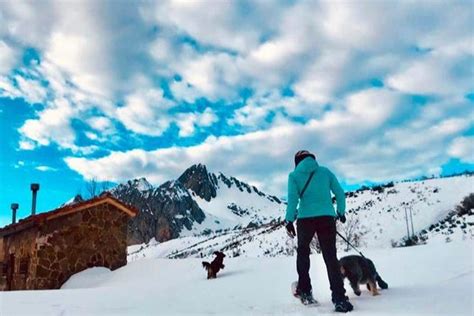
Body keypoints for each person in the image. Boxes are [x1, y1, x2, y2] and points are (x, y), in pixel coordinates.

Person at [285, 150, 353, 313]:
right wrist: (341, 212)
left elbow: (293, 199)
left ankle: (306, 291)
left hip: (305, 219)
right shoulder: (325, 172)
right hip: (326, 218)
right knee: (330, 258)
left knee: (303, 253)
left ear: (297, 162)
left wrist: (289, 220)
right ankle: (339, 299)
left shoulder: (293, 176)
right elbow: (340, 193)